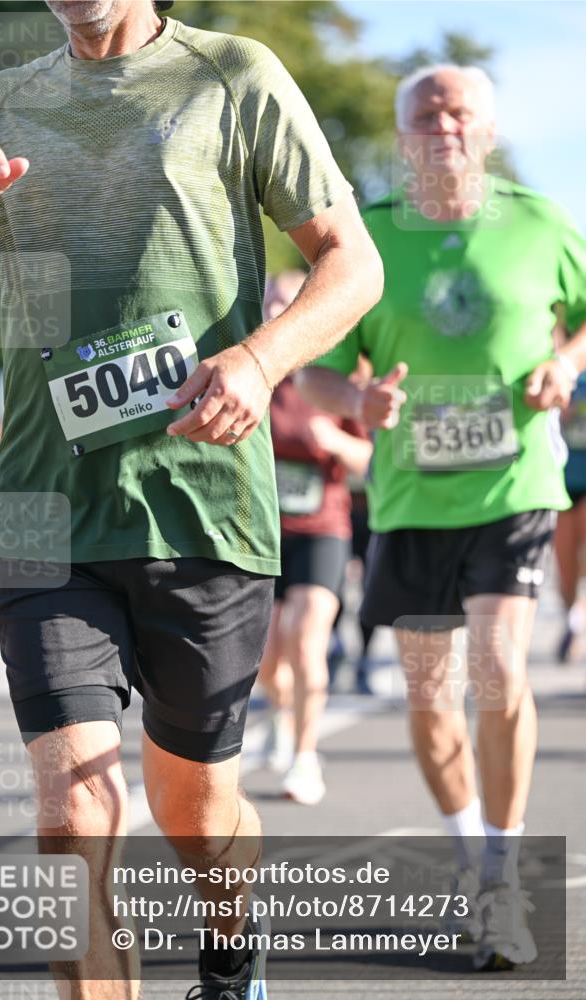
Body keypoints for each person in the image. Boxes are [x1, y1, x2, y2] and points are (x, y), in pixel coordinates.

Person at [0, 2, 384, 997]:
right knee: (73, 812)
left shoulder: (234, 76)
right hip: (47, 507)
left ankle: (230, 960)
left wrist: (259, 364)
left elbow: (353, 263)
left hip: (201, 504)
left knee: (195, 806)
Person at [298, 63, 586, 971]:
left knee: (498, 667)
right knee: (429, 702)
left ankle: (502, 874)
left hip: (513, 490)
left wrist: (568, 363)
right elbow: (309, 367)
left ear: (489, 132)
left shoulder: (539, 222)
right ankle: (471, 855)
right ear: (402, 135)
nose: (444, 125)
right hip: (412, 502)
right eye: (425, 113)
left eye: (461, 111)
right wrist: (355, 396)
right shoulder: (369, 242)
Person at [257, 271, 372, 804]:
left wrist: (333, 441)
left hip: (323, 526)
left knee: (308, 640)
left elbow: (368, 458)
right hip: (260, 532)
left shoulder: (332, 376)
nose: (279, 311)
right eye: (271, 302)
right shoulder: (250, 370)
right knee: (267, 660)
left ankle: (305, 757)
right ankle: (282, 716)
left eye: (289, 302)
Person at [554, 371, 586, 661]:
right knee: (566, 563)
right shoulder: (558, 367)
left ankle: (579, 615)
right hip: (561, 481)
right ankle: (572, 616)